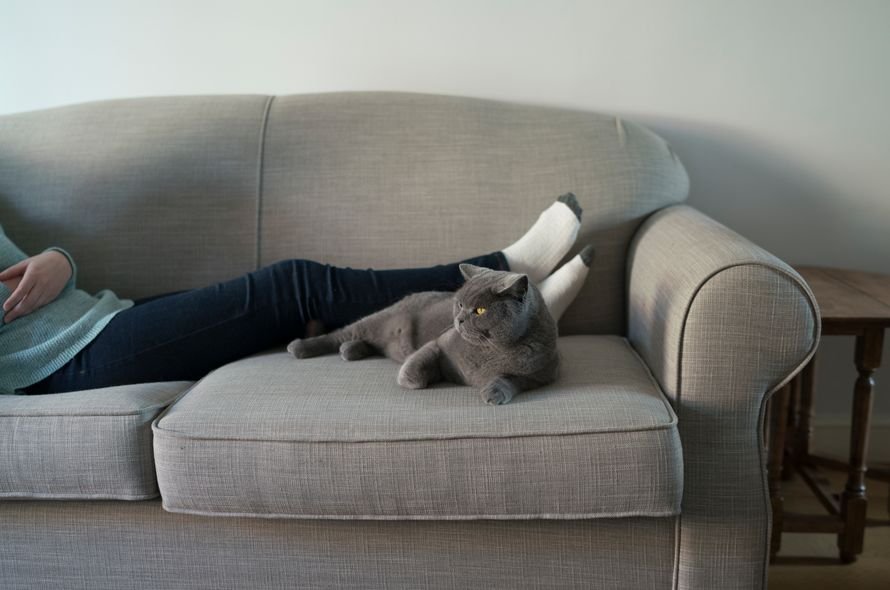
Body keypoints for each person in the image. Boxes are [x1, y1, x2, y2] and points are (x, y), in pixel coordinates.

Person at [0, 195, 592, 395]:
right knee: (292, 287)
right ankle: (505, 274)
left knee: (303, 302)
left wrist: (60, 263)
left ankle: (519, 310)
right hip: (54, 364)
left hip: (91, 318)